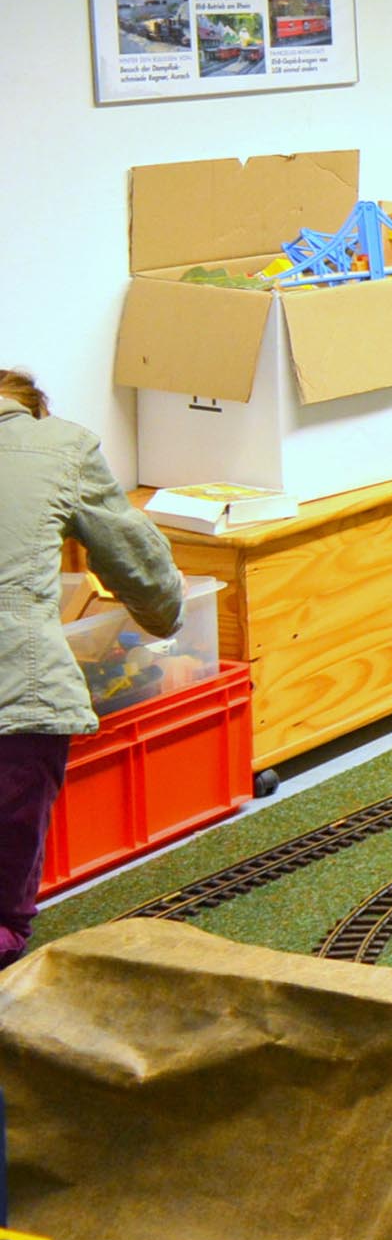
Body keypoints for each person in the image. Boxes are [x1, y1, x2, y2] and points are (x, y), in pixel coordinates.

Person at [1, 368, 183, 967]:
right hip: (16, 696)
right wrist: (165, 620)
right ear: (31, 412)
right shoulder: (60, 445)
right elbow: (138, 561)